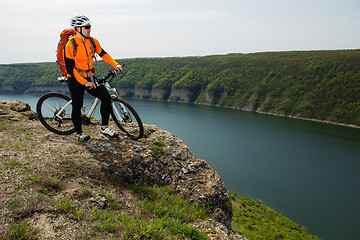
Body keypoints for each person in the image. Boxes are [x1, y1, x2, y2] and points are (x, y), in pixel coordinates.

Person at [64, 15, 123, 141]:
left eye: (90, 26)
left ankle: (104, 127)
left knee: (106, 97)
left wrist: (115, 64)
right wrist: (85, 83)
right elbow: (70, 69)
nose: (90, 29)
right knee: (77, 105)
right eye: (87, 27)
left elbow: (103, 54)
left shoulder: (92, 41)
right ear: (78, 29)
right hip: (75, 79)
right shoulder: (70, 45)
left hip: (89, 76)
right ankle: (79, 134)